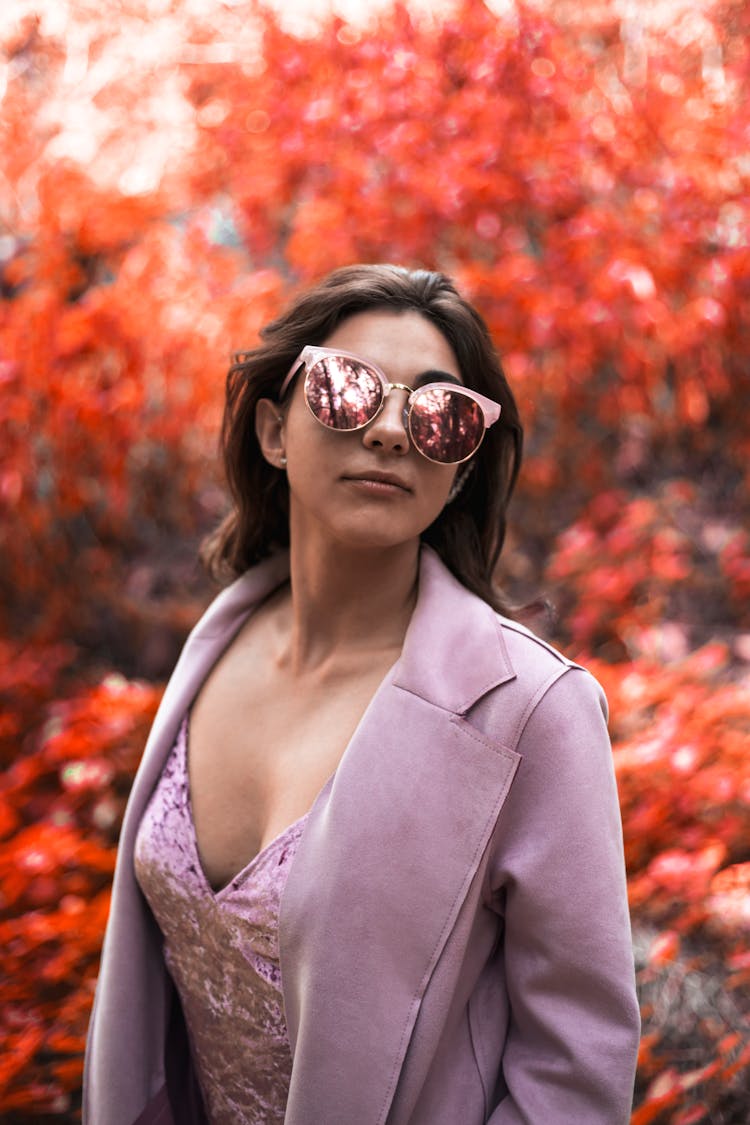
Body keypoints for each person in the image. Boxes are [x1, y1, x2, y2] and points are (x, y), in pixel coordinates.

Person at [83, 264, 640, 1125]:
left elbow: (576, 1066)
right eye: (349, 390)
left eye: (439, 415)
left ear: (459, 469)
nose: (389, 431)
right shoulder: (218, 641)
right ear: (274, 428)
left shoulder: (531, 710)